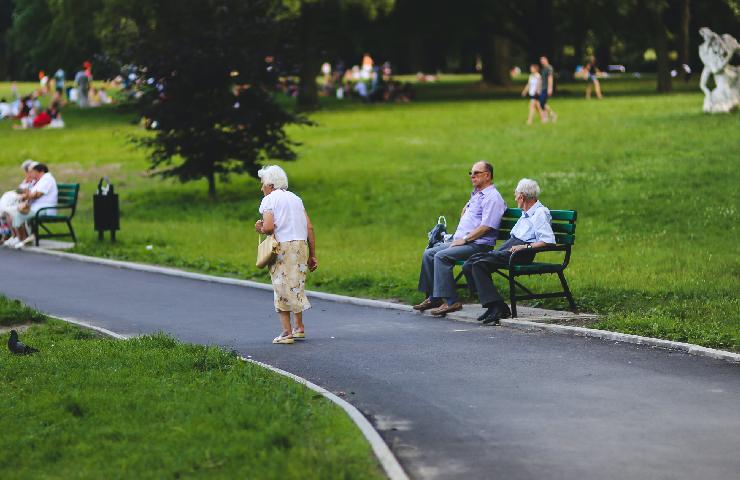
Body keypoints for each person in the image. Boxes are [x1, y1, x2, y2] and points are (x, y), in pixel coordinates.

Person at [414, 161, 507, 316]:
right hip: (464, 241)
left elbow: (487, 227)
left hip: (478, 245)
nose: (472, 176)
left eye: (476, 173)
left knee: (441, 256)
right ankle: (435, 297)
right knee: (429, 253)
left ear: (487, 175)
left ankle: (451, 301)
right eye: (470, 173)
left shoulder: (493, 197)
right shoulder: (477, 195)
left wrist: (464, 239)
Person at [462, 178, 555, 325]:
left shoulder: (540, 213)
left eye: (516, 194)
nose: (515, 197)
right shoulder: (525, 213)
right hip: (511, 248)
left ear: (521, 197)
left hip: (521, 253)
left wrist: (525, 247)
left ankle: (498, 307)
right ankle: (493, 305)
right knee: (469, 263)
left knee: (479, 264)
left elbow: (548, 240)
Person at [254, 165, 318, 345]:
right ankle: (299, 328)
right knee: (295, 285)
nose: (261, 188)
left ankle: (286, 332)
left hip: (282, 247)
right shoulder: (296, 199)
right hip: (300, 246)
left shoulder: (269, 200)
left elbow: (268, 227)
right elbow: (309, 227)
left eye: (263, 184)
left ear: (270, 184)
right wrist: (312, 255)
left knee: (281, 286)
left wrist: (260, 228)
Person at [9, 163, 58, 249]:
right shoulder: (40, 180)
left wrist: (26, 195)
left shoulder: (47, 179)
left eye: (34, 172)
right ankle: (24, 238)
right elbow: (30, 193)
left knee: (19, 215)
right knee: (16, 212)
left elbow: (37, 194)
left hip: (45, 209)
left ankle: (24, 239)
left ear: (41, 172)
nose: (32, 174)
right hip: (37, 207)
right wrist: (26, 195)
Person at [539, 56, 557, 122]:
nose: (542, 62)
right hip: (542, 88)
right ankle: (546, 118)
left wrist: (550, 88)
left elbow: (550, 78)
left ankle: (552, 114)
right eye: (541, 61)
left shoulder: (549, 68)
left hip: (546, 88)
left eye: (543, 60)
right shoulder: (543, 69)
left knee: (542, 103)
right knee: (542, 103)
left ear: (546, 60)